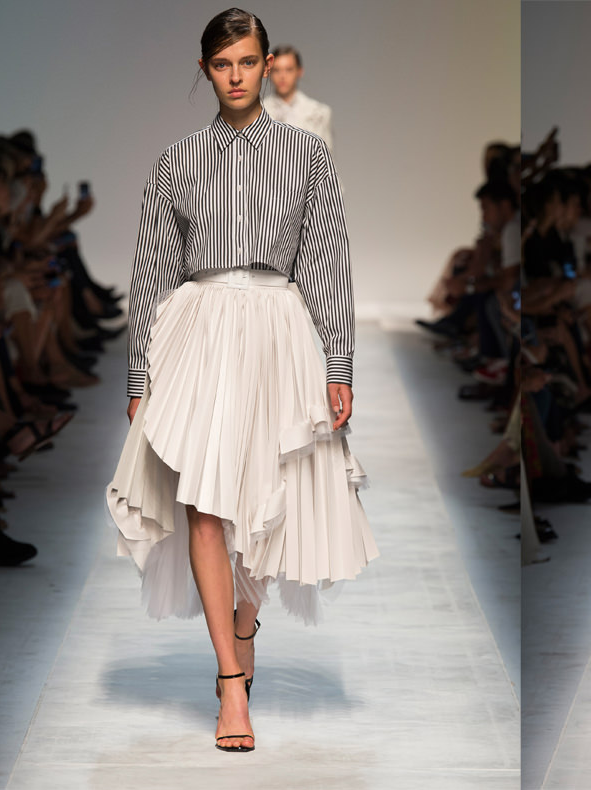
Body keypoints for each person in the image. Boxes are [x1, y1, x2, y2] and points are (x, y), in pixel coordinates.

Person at [105, 7, 378, 754]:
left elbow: (327, 261)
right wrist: (139, 373)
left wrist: (339, 363)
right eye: (222, 65)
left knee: (268, 494)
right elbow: (150, 274)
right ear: (205, 70)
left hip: (280, 329)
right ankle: (231, 681)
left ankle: (246, 626)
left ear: (265, 64)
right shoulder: (175, 161)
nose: (236, 76)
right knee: (204, 500)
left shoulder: (307, 155)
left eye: (248, 62)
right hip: (198, 333)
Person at [262, 44, 335, 154]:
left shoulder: (319, 114)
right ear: (269, 72)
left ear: (299, 71)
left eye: (289, 70)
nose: (282, 76)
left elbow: (325, 159)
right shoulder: (256, 113)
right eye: (276, 70)